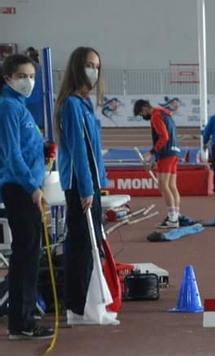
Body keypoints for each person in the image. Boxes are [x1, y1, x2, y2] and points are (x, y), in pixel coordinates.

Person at [54, 46, 117, 325]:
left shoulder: (84, 104)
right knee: (81, 245)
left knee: (90, 246)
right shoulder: (70, 105)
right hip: (80, 187)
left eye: (98, 66)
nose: (94, 70)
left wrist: (98, 182)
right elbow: (79, 150)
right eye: (90, 64)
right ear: (78, 67)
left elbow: (92, 149)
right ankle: (78, 310)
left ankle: (89, 307)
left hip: (89, 183)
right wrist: (87, 188)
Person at [0, 54, 53, 339]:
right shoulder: (8, 107)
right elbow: (12, 155)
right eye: (22, 75)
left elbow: (26, 147)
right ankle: (21, 322)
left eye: (32, 76)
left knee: (29, 253)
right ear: (8, 77)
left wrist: (44, 148)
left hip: (26, 186)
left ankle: (22, 319)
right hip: (20, 188)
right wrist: (33, 188)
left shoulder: (20, 108)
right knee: (26, 254)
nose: (28, 81)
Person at [133, 99, 183, 228]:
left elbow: (164, 137)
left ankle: (173, 219)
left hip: (166, 153)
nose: (142, 116)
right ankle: (175, 216)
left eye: (141, 114)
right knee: (172, 186)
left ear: (144, 108)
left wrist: (151, 153)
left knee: (163, 185)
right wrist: (155, 158)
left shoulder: (155, 116)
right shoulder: (165, 114)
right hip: (174, 152)